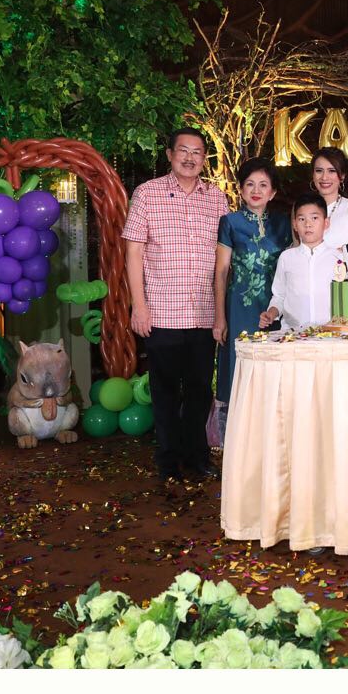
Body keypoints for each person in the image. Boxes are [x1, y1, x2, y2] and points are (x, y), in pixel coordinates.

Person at [123, 126, 230, 485]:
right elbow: (133, 253)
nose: (189, 158)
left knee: (200, 391)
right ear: (169, 154)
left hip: (203, 314)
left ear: (204, 158)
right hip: (162, 313)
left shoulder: (216, 198)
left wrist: (221, 314)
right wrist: (139, 306)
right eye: (183, 150)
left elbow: (224, 259)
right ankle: (168, 461)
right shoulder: (147, 193)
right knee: (165, 392)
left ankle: (196, 458)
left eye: (197, 152)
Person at [213, 158, 292, 420]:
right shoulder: (230, 222)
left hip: (276, 307)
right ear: (241, 189)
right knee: (241, 368)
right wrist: (220, 317)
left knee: (275, 371)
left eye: (263, 185)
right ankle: (239, 433)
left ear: (273, 192)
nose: (256, 190)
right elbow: (222, 271)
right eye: (250, 184)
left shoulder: (284, 223)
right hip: (239, 308)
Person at [261, 193, 342, 331]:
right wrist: (271, 314)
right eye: (302, 219)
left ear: (326, 223)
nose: (308, 224)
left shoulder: (338, 258)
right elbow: (279, 296)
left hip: (330, 334)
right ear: (294, 224)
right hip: (293, 334)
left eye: (314, 218)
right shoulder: (286, 258)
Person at [310, 147, 348, 250]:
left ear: (342, 176)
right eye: (319, 171)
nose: (324, 177)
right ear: (313, 174)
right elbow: (297, 248)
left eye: (332, 171)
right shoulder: (301, 208)